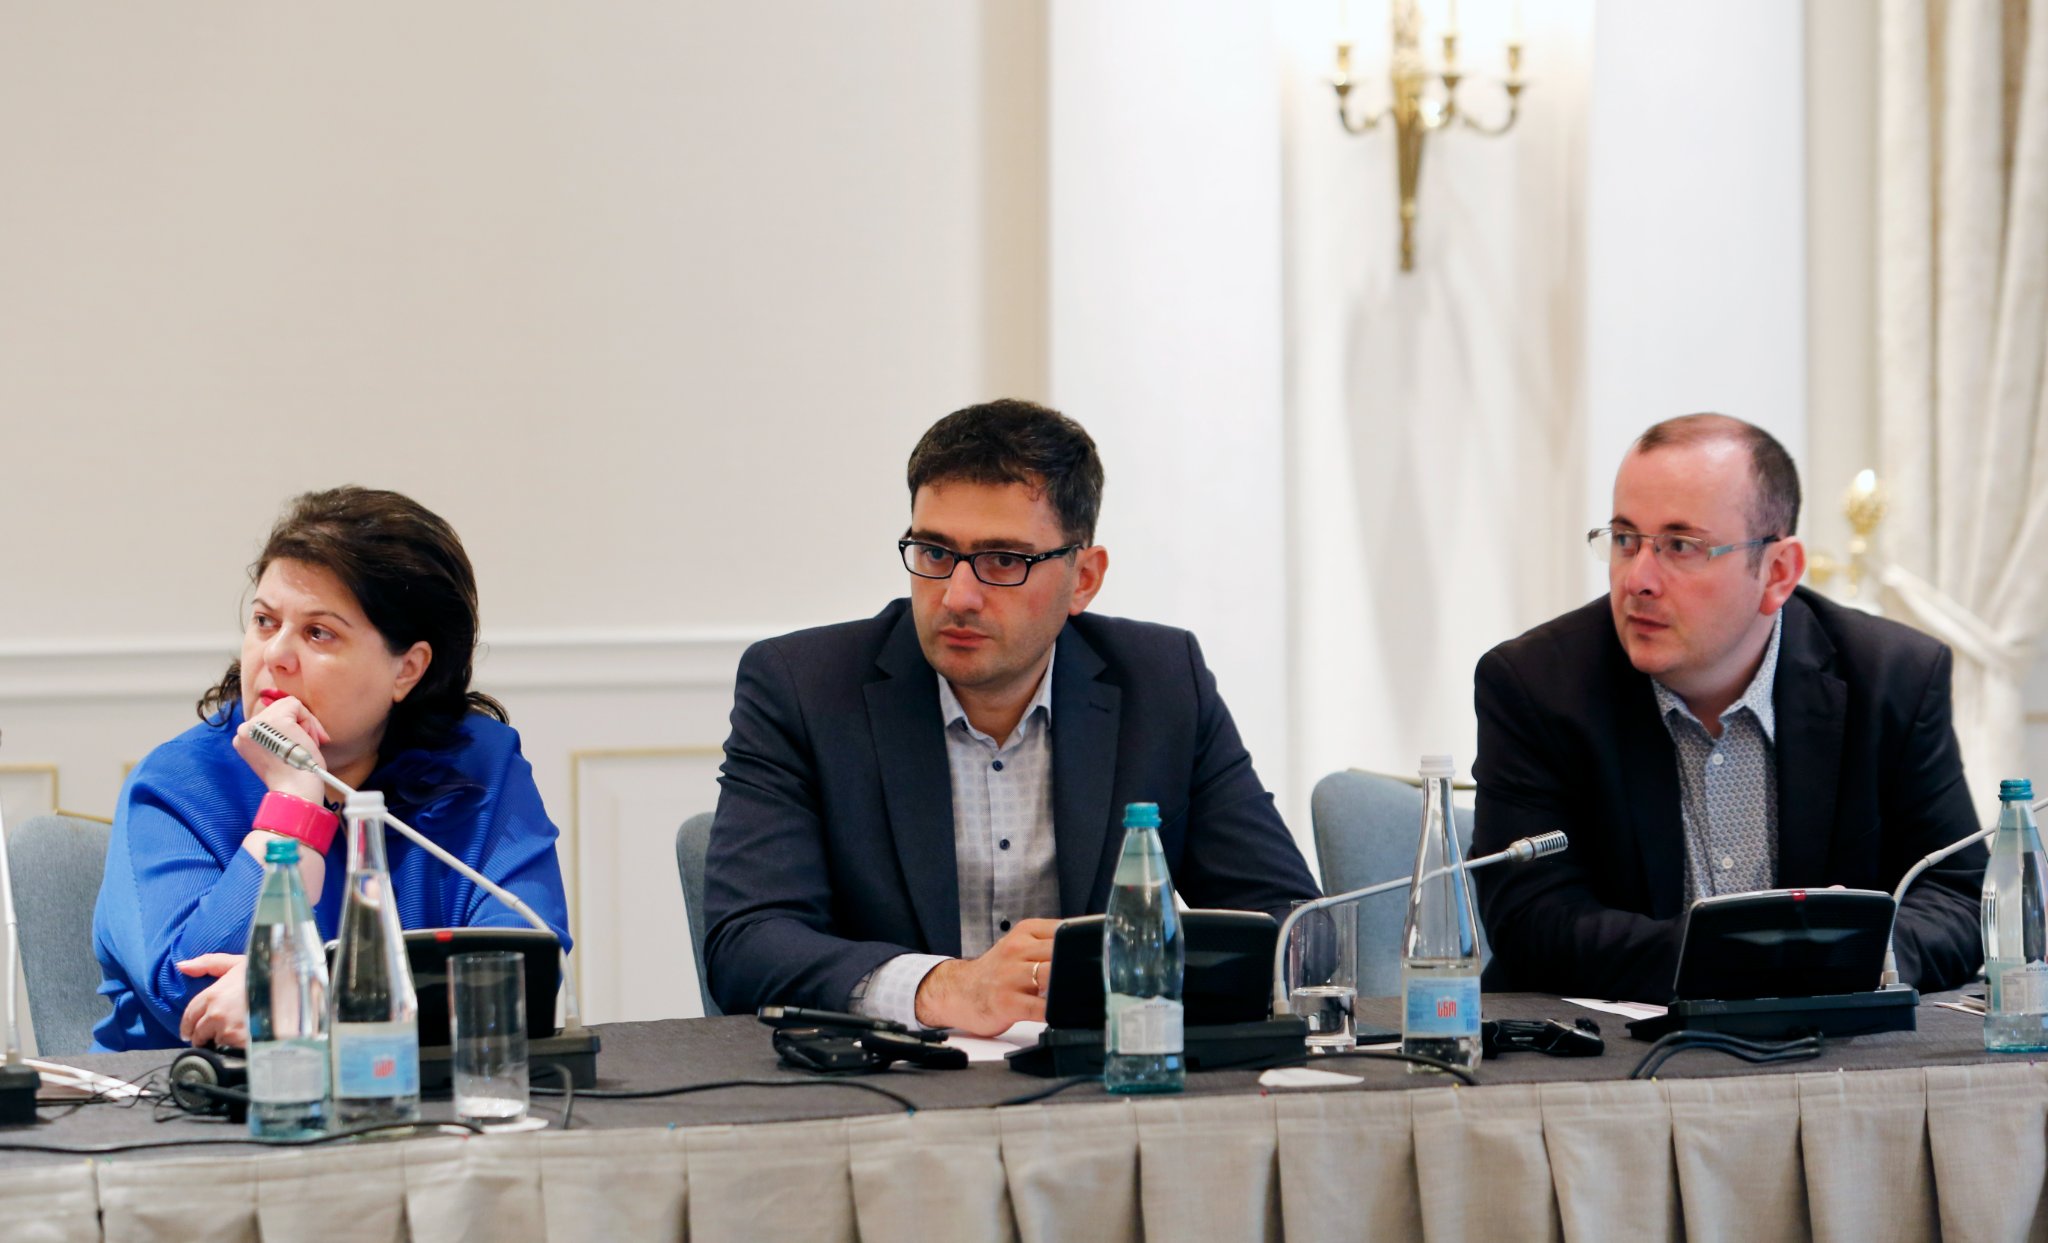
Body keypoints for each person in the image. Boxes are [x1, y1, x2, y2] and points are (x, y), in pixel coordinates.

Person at [704, 400, 1318, 1034]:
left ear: (1084, 578)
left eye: (1003, 560)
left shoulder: (1160, 684)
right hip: (889, 1075)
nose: (958, 596)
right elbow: (747, 943)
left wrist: (1127, 973)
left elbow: (1296, 931)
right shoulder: (802, 689)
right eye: (934, 552)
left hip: (1098, 1074)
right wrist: (945, 988)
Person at [1469, 414, 1985, 1001]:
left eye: (1680, 546)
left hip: (1832, 1045)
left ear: (1778, 572)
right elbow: (1531, 918)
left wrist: (1865, 950)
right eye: (1625, 540)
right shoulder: (1536, 684)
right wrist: (1743, 956)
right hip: (1617, 1043)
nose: (1638, 579)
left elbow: (1960, 895)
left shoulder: (1891, 678)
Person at [92, 487, 573, 1051]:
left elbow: (517, 975)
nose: (275, 655)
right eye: (265, 622)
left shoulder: (478, 767)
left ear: (407, 669)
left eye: (319, 633)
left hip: (421, 1094)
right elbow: (192, 998)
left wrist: (314, 997)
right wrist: (294, 810)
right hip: (187, 1101)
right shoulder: (177, 784)